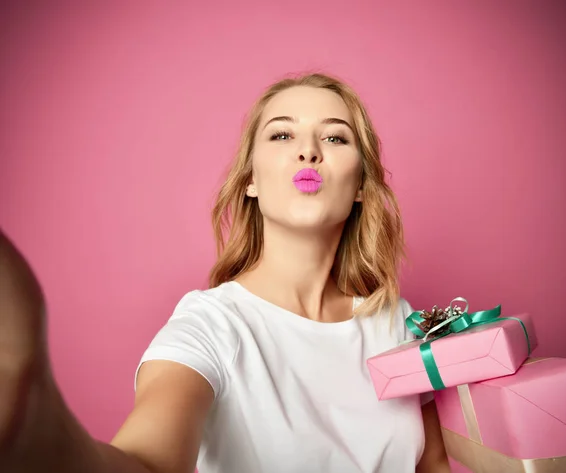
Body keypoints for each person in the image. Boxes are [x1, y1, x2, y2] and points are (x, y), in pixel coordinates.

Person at [0, 73, 450, 473]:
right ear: (250, 179)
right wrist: (41, 427)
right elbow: (149, 462)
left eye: (335, 139)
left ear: (359, 187)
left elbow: (431, 464)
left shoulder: (395, 323)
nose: (308, 152)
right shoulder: (210, 325)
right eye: (281, 136)